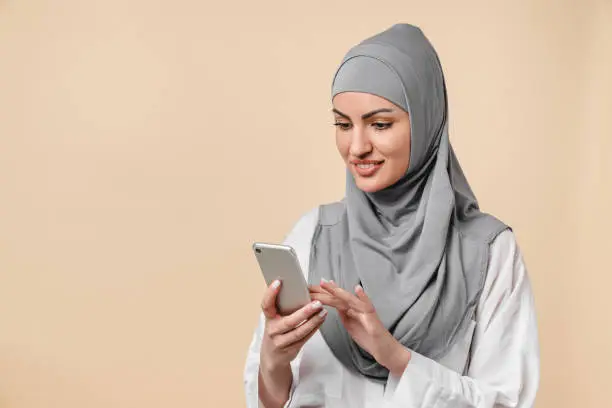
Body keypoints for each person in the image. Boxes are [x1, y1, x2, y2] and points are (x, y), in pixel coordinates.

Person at [243, 23, 540, 408]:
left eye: (380, 124)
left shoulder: (488, 252)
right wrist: (273, 360)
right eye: (343, 124)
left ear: (426, 121)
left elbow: (508, 401)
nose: (357, 147)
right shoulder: (313, 233)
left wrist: (394, 355)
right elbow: (270, 399)